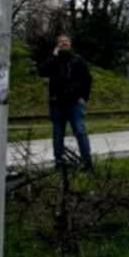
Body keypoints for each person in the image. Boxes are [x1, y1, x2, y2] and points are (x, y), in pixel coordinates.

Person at [48, 33, 93, 172]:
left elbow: (88, 79)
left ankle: (87, 163)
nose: (64, 43)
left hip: (74, 103)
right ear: (57, 45)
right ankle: (59, 163)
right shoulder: (54, 60)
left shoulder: (77, 60)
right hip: (57, 103)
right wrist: (54, 56)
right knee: (58, 133)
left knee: (80, 131)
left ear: (70, 44)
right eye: (61, 41)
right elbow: (43, 71)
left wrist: (84, 97)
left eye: (66, 41)